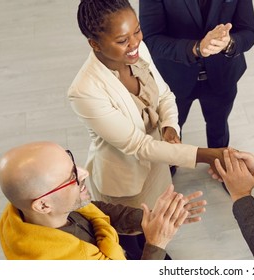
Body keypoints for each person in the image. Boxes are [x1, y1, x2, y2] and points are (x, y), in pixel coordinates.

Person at [69, 0, 224, 254]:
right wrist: (206, 155)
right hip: (125, 181)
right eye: (122, 40)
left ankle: (155, 248)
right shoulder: (84, 91)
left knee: (155, 223)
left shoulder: (139, 51)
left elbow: (164, 95)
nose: (134, 44)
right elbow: (137, 145)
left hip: (158, 163)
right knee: (130, 236)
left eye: (137, 31)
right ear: (94, 44)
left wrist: (170, 127)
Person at [0, 141, 206, 260]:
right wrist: (156, 244)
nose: (84, 172)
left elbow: (92, 211)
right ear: (43, 205)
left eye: (73, 162)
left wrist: (151, 218)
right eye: (72, 177)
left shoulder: (23, 212)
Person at [138, 0, 254, 150]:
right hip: (173, 78)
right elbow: (151, 39)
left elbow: (248, 31)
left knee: (219, 126)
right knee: (171, 129)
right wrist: (196, 48)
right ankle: (171, 163)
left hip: (222, 75)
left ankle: (218, 161)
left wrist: (229, 43)